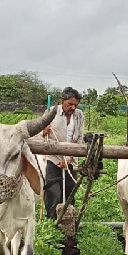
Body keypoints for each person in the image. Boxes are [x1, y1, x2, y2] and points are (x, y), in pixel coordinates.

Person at [42, 86, 84, 219]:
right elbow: (39, 136)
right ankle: (51, 221)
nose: (73, 108)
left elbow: (79, 140)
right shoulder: (50, 112)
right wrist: (44, 132)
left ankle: (67, 221)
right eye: (70, 104)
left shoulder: (79, 115)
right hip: (53, 159)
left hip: (70, 160)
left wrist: (68, 160)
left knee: (70, 192)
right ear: (62, 101)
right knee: (53, 192)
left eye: (75, 105)